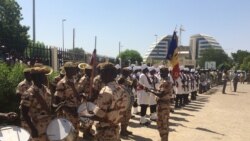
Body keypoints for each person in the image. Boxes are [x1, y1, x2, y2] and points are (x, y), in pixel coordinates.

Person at [80, 62, 129, 141]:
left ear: (107, 74)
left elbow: (99, 115)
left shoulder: (106, 91)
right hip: (115, 129)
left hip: (105, 132)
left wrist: (85, 115)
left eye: (102, 72)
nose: (100, 75)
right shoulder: (121, 89)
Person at [20, 65, 52, 141]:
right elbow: (24, 113)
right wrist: (33, 129)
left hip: (48, 125)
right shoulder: (28, 93)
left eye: (44, 75)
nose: (44, 77)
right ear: (34, 77)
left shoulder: (46, 89)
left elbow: (48, 105)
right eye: (41, 75)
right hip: (37, 127)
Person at [53, 62, 80, 134]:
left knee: (75, 133)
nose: (75, 70)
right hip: (66, 114)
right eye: (73, 69)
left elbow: (78, 96)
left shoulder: (75, 80)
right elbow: (57, 102)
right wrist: (70, 111)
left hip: (76, 111)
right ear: (68, 70)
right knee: (67, 134)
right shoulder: (61, 83)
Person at [153, 66, 173, 141]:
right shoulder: (164, 81)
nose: (160, 74)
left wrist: (150, 91)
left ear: (166, 73)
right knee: (162, 122)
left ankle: (164, 139)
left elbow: (160, 94)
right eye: (160, 72)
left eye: (162, 73)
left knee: (162, 123)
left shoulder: (165, 82)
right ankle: (164, 139)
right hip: (162, 105)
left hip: (163, 105)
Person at [117, 67, 133, 137]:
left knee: (128, 116)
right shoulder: (121, 79)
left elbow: (130, 86)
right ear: (124, 73)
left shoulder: (126, 79)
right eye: (128, 72)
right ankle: (122, 131)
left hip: (128, 100)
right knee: (124, 117)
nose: (129, 74)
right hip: (124, 101)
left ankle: (125, 129)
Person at [16, 68, 33, 132]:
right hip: (24, 107)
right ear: (25, 75)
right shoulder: (21, 84)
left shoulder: (33, 83)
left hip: (33, 108)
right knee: (25, 125)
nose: (30, 76)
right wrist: (26, 97)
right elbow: (18, 94)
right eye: (28, 75)